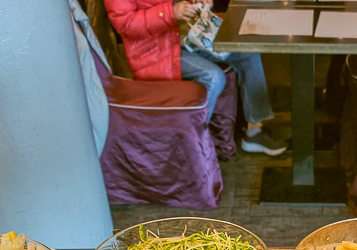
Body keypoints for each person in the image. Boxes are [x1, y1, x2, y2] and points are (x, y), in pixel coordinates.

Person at [104, 0, 286, 155]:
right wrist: (170, 12)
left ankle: (254, 132)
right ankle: (192, 148)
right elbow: (125, 25)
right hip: (157, 51)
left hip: (189, 34)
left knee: (247, 52)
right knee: (214, 78)